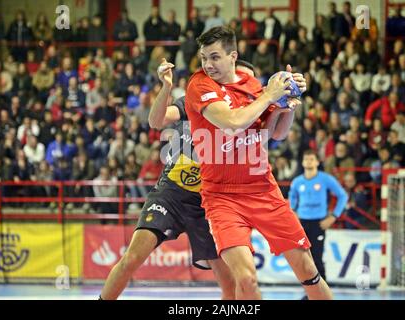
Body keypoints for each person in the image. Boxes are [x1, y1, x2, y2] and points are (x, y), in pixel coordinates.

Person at [99, 55, 306, 300]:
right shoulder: (200, 99)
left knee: (231, 282)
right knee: (132, 258)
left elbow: (278, 132)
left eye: (243, 79)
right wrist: (166, 87)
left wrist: (285, 104)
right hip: (171, 195)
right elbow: (157, 120)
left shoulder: (253, 115)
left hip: (214, 204)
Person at [185, 26, 333, 300]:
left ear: (233, 56)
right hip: (222, 197)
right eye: (204, 57)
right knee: (247, 278)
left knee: (309, 271)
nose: (208, 64)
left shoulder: (252, 87)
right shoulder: (199, 84)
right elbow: (232, 123)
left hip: (264, 191)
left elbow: (275, 133)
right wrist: (269, 95)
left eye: (215, 57)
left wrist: (286, 102)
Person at [289, 150, 348, 289]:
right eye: (306, 159)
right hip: (301, 224)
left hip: (318, 223)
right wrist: (294, 213)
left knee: (317, 258)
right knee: (303, 260)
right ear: (303, 162)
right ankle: (310, 292)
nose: (309, 162)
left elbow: (343, 196)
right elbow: (292, 200)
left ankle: (323, 292)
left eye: (311, 159)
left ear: (317, 162)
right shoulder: (297, 182)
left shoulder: (325, 179)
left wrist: (333, 217)